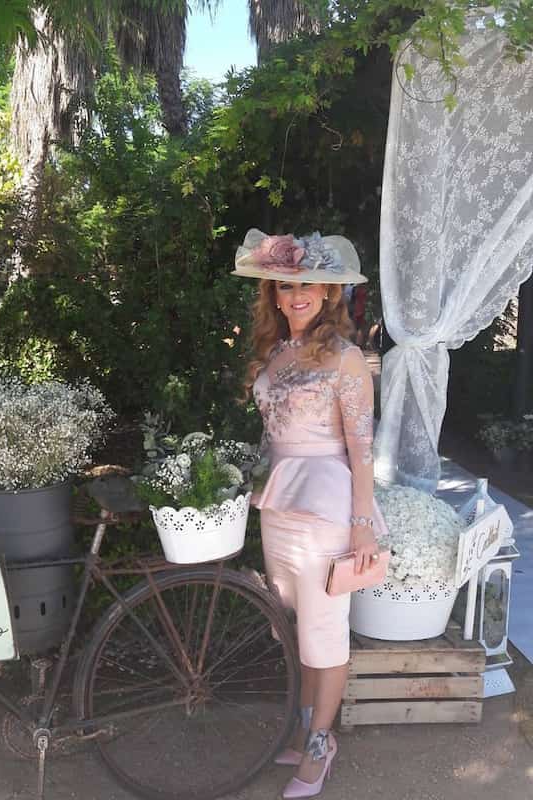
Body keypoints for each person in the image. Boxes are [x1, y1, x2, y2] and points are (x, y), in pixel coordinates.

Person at [233, 230, 386, 799]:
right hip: (279, 503)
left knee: (324, 629)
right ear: (274, 294)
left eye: (309, 285)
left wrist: (363, 525)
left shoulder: (346, 359)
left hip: (326, 504)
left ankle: (321, 746)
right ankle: (306, 728)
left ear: (327, 292)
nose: (297, 295)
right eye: (286, 286)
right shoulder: (275, 353)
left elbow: (362, 449)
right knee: (295, 622)